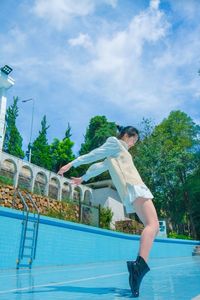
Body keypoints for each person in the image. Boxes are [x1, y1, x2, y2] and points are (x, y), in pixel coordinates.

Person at [58, 125, 159, 298]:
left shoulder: (117, 152)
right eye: (134, 140)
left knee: (152, 227)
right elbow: (95, 154)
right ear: (127, 135)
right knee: (153, 225)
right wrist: (71, 164)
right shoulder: (115, 143)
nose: (134, 144)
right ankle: (138, 267)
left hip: (132, 191)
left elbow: (101, 166)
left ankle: (137, 269)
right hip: (135, 188)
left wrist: (83, 178)